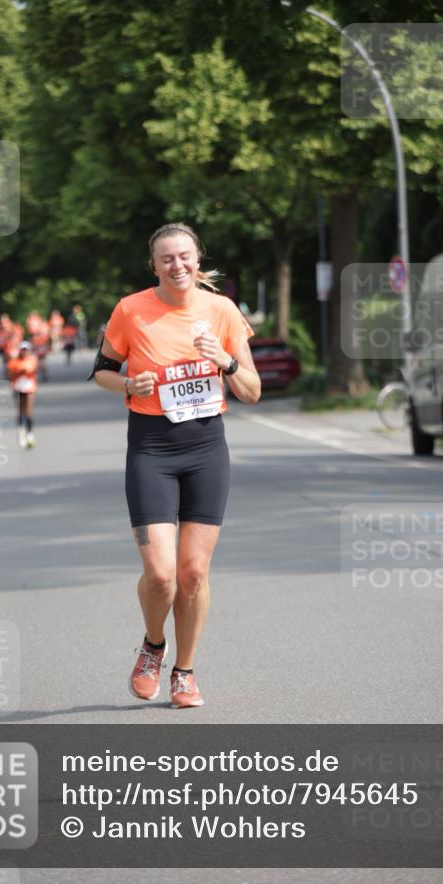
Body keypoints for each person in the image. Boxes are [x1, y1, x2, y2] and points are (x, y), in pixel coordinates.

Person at [90, 223, 260, 708]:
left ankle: (184, 672)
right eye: (167, 258)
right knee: (162, 574)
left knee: (193, 573)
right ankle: (152, 646)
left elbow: (252, 390)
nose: (177, 265)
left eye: (185, 256)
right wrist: (127, 384)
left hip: (207, 449)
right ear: (154, 266)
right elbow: (100, 370)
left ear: (198, 260)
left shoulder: (222, 311)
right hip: (152, 449)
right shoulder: (131, 310)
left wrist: (225, 361)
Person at [6, 341, 38, 448]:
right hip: (18, 387)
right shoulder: (13, 362)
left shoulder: (32, 360)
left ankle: (30, 434)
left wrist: (21, 371)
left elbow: (31, 370)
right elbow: (10, 374)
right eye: (22, 350)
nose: (24, 352)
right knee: (20, 411)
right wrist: (20, 371)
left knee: (28, 412)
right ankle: (21, 432)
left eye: (26, 350)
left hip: (29, 387)